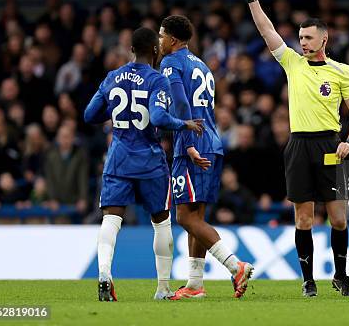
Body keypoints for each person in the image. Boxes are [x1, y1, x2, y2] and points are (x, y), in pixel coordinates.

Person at [243, 0, 349, 297]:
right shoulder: (293, 63)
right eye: (300, 37)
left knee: (338, 218)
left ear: (324, 39)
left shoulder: (342, 71)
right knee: (304, 218)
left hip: (329, 144)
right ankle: (308, 280)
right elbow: (267, 31)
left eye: (309, 37)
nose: (303, 42)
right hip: (299, 145)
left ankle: (340, 275)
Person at [84, 27, 204, 302]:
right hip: (150, 160)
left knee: (111, 220)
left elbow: (90, 114)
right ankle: (163, 288)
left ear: (131, 50)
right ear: (154, 50)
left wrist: (114, 110)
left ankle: (104, 274)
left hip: (118, 158)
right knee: (161, 222)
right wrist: (182, 123)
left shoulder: (112, 77)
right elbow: (159, 117)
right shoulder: (157, 79)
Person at [158, 15, 254, 300]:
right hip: (212, 141)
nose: (159, 41)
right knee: (196, 216)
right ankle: (195, 285)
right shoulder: (201, 65)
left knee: (185, 217)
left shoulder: (170, 63)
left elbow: (180, 102)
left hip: (192, 145)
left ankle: (235, 266)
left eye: (162, 36)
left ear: (173, 40)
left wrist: (186, 143)